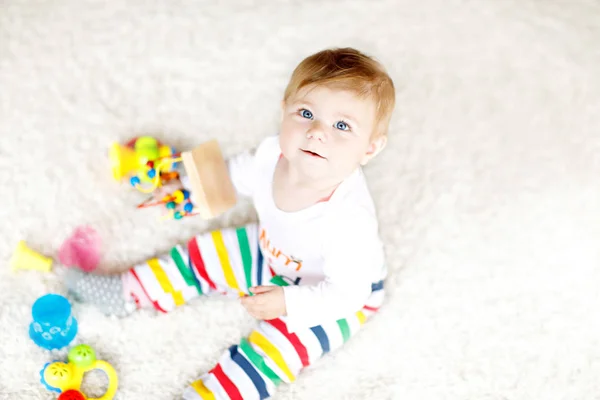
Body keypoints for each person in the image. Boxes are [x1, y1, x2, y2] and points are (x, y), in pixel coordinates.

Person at [65, 47, 396, 399]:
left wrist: (289, 302)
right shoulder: (273, 155)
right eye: (306, 113)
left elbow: (347, 294)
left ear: (370, 149)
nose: (317, 132)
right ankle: (129, 290)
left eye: (342, 125)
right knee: (200, 255)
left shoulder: (348, 221)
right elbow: (238, 173)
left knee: (268, 357)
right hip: (271, 250)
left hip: (332, 294)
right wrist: (190, 184)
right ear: (284, 110)